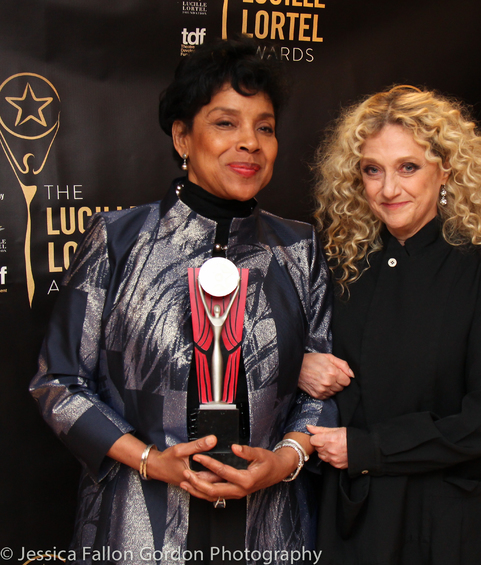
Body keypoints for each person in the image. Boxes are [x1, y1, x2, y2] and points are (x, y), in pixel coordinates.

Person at [30, 38, 336, 565]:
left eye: (264, 127)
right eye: (226, 123)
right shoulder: (119, 240)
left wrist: (285, 458)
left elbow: (324, 391)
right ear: (182, 136)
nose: (250, 144)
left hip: (267, 533)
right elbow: (58, 384)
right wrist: (150, 461)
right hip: (137, 532)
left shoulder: (299, 249)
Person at [300, 85, 481, 565]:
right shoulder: (341, 269)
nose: (389, 189)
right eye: (373, 170)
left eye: (409, 167)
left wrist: (370, 448)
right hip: (356, 522)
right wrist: (297, 364)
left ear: (445, 170)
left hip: (451, 525)